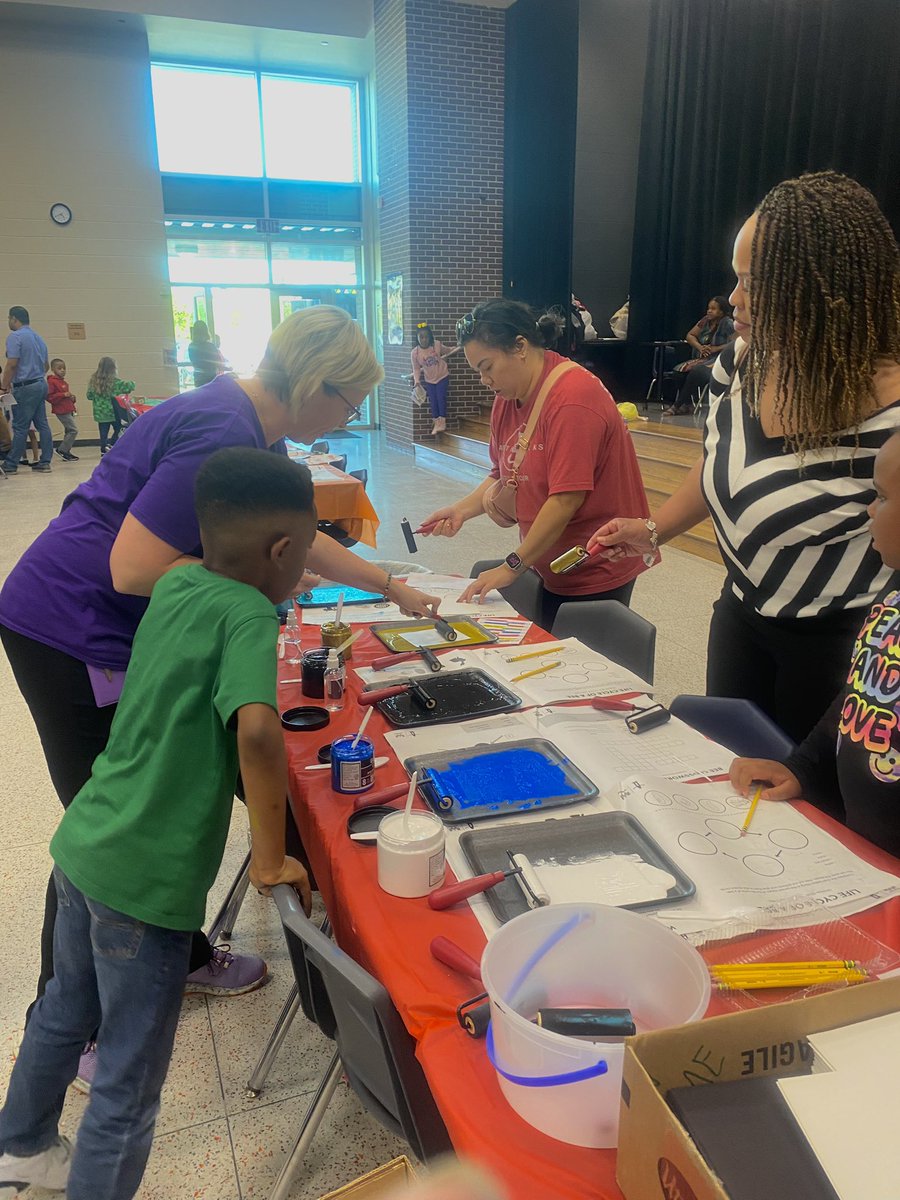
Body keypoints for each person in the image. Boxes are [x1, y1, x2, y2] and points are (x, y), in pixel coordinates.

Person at [0, 306, 439, 1082]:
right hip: (67, 625)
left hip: (106, 624)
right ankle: (74, 1028)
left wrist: (385, 582)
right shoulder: (220, 429)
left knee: (154, 802)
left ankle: (185, 955)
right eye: (349, 401)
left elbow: (296, 531)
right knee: (113, 827)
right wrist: (251, 585)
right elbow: (133, 569)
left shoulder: (254, 425)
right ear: (316, 386)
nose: (349, 417)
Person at [0, 447, 316, 1200]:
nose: (303, 568)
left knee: (62, 1010)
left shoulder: (177, 580)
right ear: (281, 550)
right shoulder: (248, 611)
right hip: (145, 886)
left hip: (85, 847)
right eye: (304, 553)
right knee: (128, 1081)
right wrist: (270, 857)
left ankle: (20, 1150)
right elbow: (259, 731)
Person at [588, 172, 900, 743]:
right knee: (728, 771)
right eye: (737, 279)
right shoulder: (742, 362)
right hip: (739, 613)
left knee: (813, 812)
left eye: (755, 283)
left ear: (822, 287)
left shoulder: (892, 418)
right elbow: (716, 466)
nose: (735, 300)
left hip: (838, 642)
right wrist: (653, 528)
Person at [420, 299, 654, 629]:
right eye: (478, 371)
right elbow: (501, 474)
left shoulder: (573, 398)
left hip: (592, 563)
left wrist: (511, 565)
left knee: (575, 666)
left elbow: (566, 500)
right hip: (545, 560)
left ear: (520, 347)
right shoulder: (508, 395)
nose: (484, 380)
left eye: (488, 367)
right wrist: (461, 510)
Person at [730, 431, 900, 858]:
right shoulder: (894, 590)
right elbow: (861, 694)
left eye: (881, 497)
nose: (869, 509)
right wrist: (804, 767)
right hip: (862, 847)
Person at [0, 306, 53, 475]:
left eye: (9, 318)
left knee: (20, 426)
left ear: (14, 319)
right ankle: (45, 462)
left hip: (26, 386)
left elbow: (12, 364)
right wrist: (35, 377)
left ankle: (11, 464)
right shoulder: (39, 338)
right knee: (42, 424)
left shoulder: (15, 337)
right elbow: (46, 366)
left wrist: (3, 386)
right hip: (40, 383)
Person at [663, 296, 735, 415]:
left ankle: (677, 405)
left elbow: (735, 342)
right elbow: (690, 335)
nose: (709, 311)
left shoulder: (727, 323)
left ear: (721, 311)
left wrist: (715, 348)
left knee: (697, 371)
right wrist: (700, 347)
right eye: (709, 308)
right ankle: (687, 404)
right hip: (703, 358)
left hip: (718, 359)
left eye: (713, 309)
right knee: (679, 371)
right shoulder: (705, 321)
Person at [410, 322, 459, 436]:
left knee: (440, 397)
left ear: (430, 337)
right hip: (429, 379)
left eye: (426, 337)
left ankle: (442, 422)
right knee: (433, 400)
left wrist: (457, 347)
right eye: (421, 337)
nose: (424, 339)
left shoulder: (436, 345)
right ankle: (436, 421)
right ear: (417, 338)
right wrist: (417, 381)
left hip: (442, 376)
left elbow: (447, 350)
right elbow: (416, 369)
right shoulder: (415, 353)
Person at [88, 356, 135, 454]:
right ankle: (113, 444)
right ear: (113, 369)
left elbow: (89, 396)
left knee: (103, 431)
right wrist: (132, 383)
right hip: (113, 411)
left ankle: (103, 448)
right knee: (118, 428)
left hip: (100, 412)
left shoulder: (93, 381)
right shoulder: (115, 382)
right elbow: (127, 387)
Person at [46, 357, 79, 461]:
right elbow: (49, 397)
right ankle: (62, 450)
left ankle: (66, 451)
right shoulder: (52, 382)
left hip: (68, 409)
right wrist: (63, 394)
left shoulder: (63, 382)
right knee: (73, 430)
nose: (63, 370)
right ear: (53, 369)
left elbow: (65, 396)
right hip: (61, 410)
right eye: (59, 368)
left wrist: (71, 398)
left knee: (69, 430)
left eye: (64, 368)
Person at [188, 319, 225, 388]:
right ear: (206, 331)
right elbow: (218, 362)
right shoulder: (211, 346)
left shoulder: (191, 346)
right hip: (211, 378)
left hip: (198, 379)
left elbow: (193, 361)